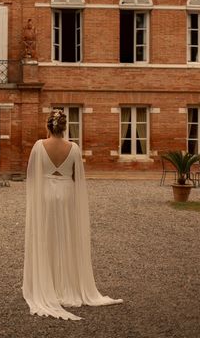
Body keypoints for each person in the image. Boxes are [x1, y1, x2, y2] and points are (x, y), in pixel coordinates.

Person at [22, 109, 123, 320]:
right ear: (64, 127)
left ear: (48, 126)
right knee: (66, 238)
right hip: (67, 195)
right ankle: (67, 285)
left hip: (46, 196)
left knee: (47, 238)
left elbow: (32, 176)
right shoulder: (74, 148)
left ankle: (48, 284)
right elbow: (78, 178)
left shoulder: (39, 146)